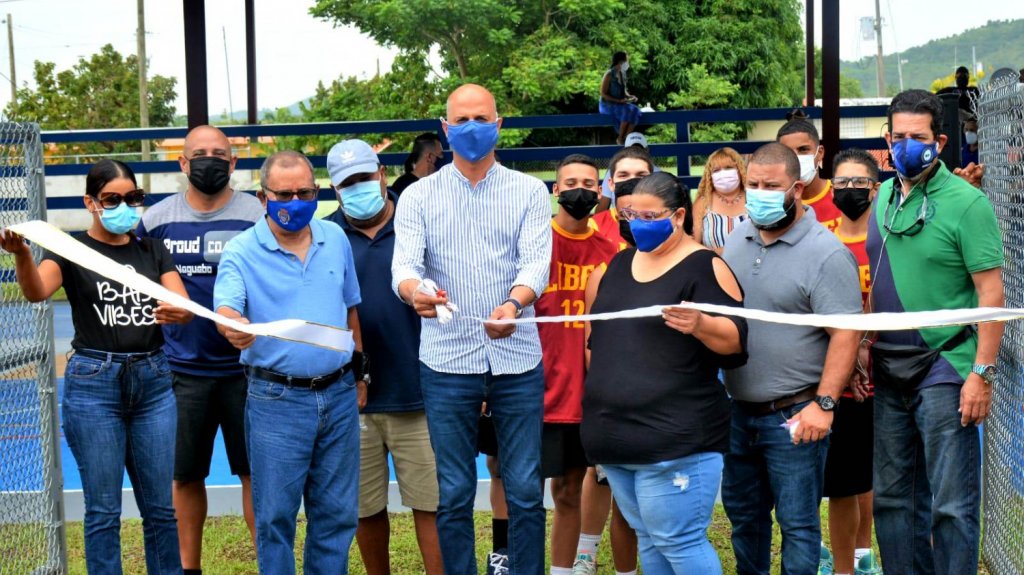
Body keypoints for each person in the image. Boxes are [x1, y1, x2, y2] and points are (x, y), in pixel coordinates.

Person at [1, 159, 194, 574]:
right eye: (113, 199)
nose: (125, 206)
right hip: (95, 386)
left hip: (154, 383)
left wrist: (181, 312)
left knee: (160, 509)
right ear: (91, 202)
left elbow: (182, 303)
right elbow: (37, 292)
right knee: (103, 511)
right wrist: (21, 256)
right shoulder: (71, 250)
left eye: (133, 198)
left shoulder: (151, 249)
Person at [391, 83, 551, 575]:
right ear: (446, 129)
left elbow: (536, 263)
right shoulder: (417, 196)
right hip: (446, 360)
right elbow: (404, 267)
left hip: (518, 357)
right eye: (460, 120)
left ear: (499, 124)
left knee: (525, 488)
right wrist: (415, 292)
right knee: (455, 491)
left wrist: (513, 303)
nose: (471, 129)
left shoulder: (529, 191)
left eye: (481, 118)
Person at [583, 172, 748, 573]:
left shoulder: (704, 265)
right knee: (650, 541)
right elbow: (600, 342)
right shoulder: (619, 264)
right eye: (630, 213)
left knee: (679, 540)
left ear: (677, 216)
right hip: (616, 437)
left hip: (675, 440)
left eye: (648, 215)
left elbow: (737, 342)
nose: (637, 222)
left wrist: (701, 325)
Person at [867, 89, 1004, 575]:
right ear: (886, 138)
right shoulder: (882, 195)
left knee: (950, 506)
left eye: (918, 138)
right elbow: (880, 278)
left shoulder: (968, 204)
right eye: (898, 136)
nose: (907, 145)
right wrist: (866, 344)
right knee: (892, 501)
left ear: (940, 141)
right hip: (886, 367)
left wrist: (981, 374)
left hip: (946, 366)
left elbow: (991, 295)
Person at [213, 150, 365, 574]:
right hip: (276, 401)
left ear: (317, 192)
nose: (295, 202)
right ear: (263, 197)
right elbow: (226, 309)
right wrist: (234, 325)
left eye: (305, 192)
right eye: (284, 194)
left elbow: (350, 309)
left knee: (336, 515)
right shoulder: (242, 251)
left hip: (337, 395)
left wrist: (359, 373)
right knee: (276, 518)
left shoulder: (334, 239)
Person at [721, 143, 862, 575]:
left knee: (798, 525)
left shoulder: (826, 252)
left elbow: (846, 334)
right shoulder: (736, 239)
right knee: (744, 520)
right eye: (754, 185)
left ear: (797, 188)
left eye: (772, 186)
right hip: (738, 411)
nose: (760, 193)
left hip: (795, 413)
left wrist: (823, 405)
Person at [135, 125, 262, 575]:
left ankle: (270, 561)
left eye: (219, 153)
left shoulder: (256, 213)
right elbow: (134, 280)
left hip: (248, 370)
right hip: (181, 371)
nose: (210, 160)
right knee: (185, 475)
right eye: (199, 154)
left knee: (256, 475)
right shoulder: (156, 219)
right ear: (183, 163)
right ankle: (188, 568)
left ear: (233, 162)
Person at [322, 139, 443, 575]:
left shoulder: (419, 224)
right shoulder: (326, 237)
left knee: (431, 505)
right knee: (364, 508)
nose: (358, 188)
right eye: (347, 183)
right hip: (354, 398)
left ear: (382, 174)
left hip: (422, 392)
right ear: (335, 189)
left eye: (364, 177)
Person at [536, 154, 619, 575]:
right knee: (543, 491)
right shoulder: (534, 242)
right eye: (570, 182)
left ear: (600, 190)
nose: (579, 189)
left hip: (592, 392)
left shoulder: (613, 249)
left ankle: (575, 565)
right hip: (541, 388)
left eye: (588, 182)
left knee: (585, 485)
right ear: (555, 189)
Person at [822, 149, 883, 575]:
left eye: (857, 183)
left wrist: (866, 343)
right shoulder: (820, 238)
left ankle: (866, 556)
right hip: (838, 380)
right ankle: (842, 565)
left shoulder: (891, 239)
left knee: (878, 478)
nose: (848, 191)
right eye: (840, 183)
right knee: (843, 483)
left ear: (875, 189)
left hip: (888, 376)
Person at [777, 115, 842, 232]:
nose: (796, 158)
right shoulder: (775, 204)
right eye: (787, 152)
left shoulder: (842, 197)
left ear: (820, 153)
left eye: (803, 150)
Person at [590, 146, 653, 248]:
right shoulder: (594, 226)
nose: (632, 181)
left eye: (641, 175)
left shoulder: (664, 222)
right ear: (610, 184)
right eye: (623, 176)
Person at [692, 147, 748, 253]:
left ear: (739, 170)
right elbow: (695, 245)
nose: (723, 173)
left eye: (728, 168)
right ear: (710, 176)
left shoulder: (753, 199)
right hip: (714, 266)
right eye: (716, 170)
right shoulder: (703, 203)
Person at [596, 132, 659, 212]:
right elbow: (603, 204)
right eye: (623, 175)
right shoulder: (614, 170)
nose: (635, 153)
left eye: (641, 175)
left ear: (646, 150)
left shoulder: (657, 172)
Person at [599, 51, 642, 146]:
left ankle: (626, 138)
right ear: (620, 62)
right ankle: (620, 138)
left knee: (635, 110)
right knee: (627, 111)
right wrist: (618, 101)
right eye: (627, 61)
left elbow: (623, 90)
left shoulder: (622, 73)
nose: (628, 63)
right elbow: (603, 93)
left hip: (619, 103)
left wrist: (629, 96)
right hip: (607, 105)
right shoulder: (609, 74)